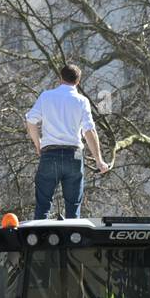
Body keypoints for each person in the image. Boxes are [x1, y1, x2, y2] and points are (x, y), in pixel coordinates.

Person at [24, 64, 111, 220]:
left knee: (43, 204)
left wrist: (38, 144)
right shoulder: (82, 101)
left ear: (60, 78)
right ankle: (72, 241)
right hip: (74, 156)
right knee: (73, 207)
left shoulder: (46, 96)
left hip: (49, 154)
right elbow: (89, 131)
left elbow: (31, 121)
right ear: (78, 82)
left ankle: (40, 240)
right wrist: (99, 161)